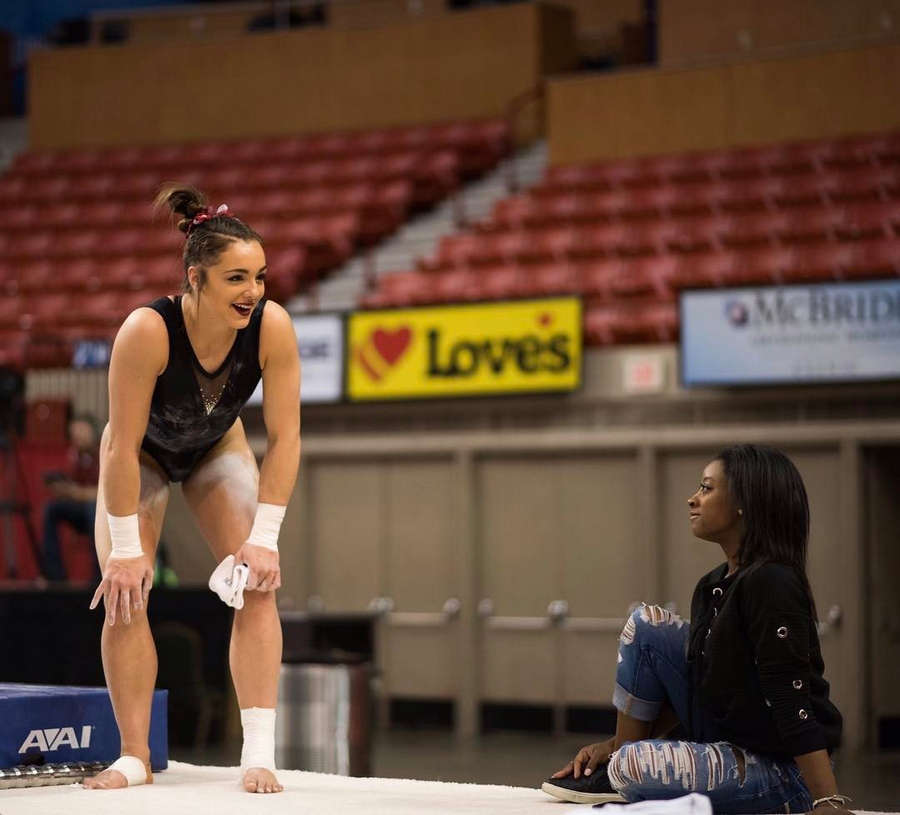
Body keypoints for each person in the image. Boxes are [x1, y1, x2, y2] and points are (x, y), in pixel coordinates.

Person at [84, 186, 301, 794]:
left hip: (214, 449)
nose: (252, 291)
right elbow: (121, 446)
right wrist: (127, 550)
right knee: (125, 590)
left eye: (259, 276)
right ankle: (134, 757)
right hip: (141, 457)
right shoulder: (147, 330)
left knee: (257, 584)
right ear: (195, 279)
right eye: (236, 278)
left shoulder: (271, 327)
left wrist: (264, 539)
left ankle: (258, 754)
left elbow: (286, 439)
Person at [542, 445, 849, 815]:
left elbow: (790, 698)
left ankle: (622, 769)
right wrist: (611, 746)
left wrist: (826, 799)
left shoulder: (773, 582)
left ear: (744, 503)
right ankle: (616, 766)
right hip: (727, 740)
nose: (693, 499)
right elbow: (700, 690)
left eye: (706, 488)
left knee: (633, 765)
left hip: (782, 770)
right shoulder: (712, 585)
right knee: (646, 624)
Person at [41, 414, 101, 581]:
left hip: (104, 516)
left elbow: (105, 494)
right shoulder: (76, 456)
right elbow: (73, 486)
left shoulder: (103, 453)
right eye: (74, 432)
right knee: (52, 509)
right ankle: (54, 576)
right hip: (82, 512)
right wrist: (63, 489)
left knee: (93, 508)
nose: (77, 436)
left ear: (93, 432)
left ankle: (99, 576)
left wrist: (76, 492)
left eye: (81, 431)